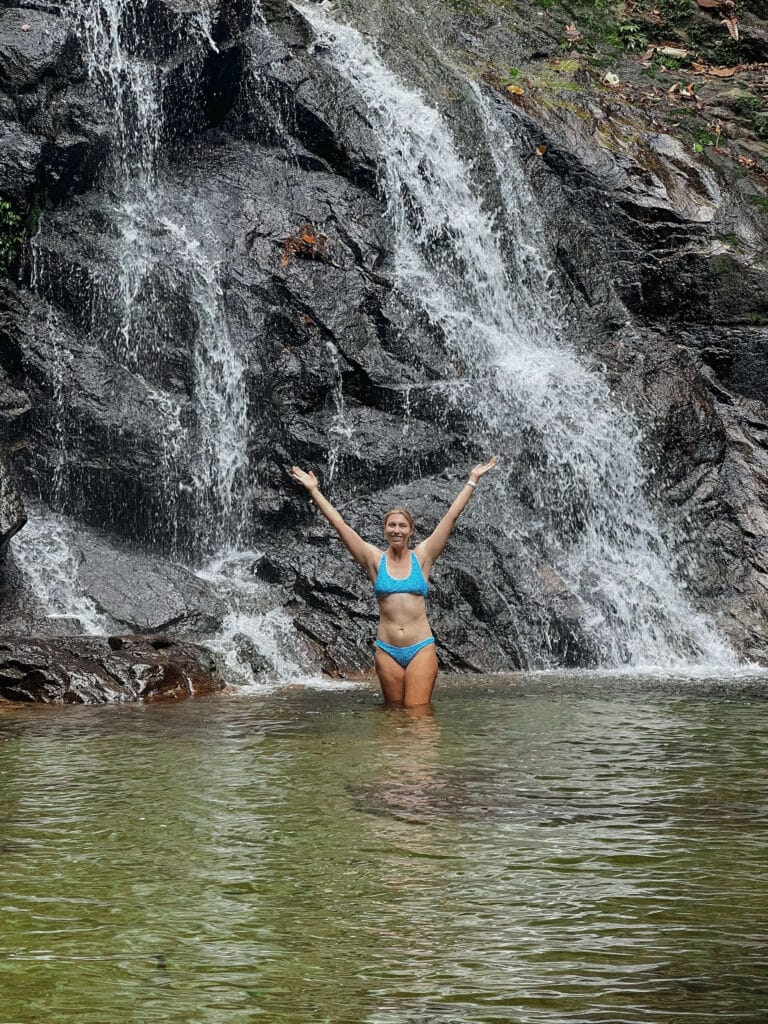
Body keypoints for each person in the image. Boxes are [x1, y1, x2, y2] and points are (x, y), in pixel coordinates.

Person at [289, 457, 498, 707]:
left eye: (402, 526)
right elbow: (339, 525)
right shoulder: (374, 560)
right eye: (391, 526)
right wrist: (314, 491)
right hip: (387, 650)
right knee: (393, 715)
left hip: (420, 646)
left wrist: (472, 481)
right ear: (385, 530)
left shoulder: (423, 557)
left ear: (411, 531)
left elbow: (450, 518)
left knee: (418, 714)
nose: (396, 530)